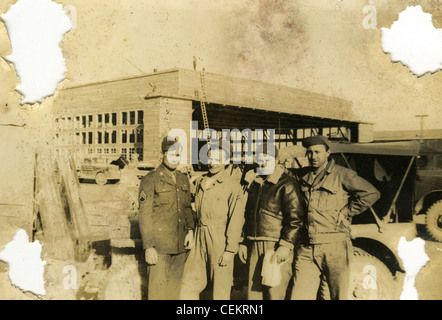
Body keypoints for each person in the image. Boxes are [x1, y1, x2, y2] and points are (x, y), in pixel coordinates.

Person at [291, 135, 380, 300]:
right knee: (299, 295)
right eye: (309, 152)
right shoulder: (303, 176)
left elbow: (371, 193)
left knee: (338, 295)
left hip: (335, 245)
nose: (313, 156)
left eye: (317, 152)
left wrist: (347, 211)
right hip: (307, 246)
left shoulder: (343, 175)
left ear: (328, 152)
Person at [238, 142, 305, 300]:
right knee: (253, 295)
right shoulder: (255, 184)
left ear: (276, 160)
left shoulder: (287, 184)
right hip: (254, 244)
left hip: (275, 246)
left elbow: (296, 218)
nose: (262, 164)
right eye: (259, 160)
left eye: (267, 160)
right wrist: (243, 242)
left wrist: (285, 245)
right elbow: (247, 214)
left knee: (274, 293)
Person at [180, 141, 246, 300]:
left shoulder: (233, 186)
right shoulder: (199, 181)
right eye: (210, 158)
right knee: (188, 284)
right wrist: (190, 232)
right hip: (198, 237)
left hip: (220, 239)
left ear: (227, 161)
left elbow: (236, 220)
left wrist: (230, 250)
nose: (212, 163)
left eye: (218, 159)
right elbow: (192, 210)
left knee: (220, 289)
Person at [138, 136, 195, 300]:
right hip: (159, 248)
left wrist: (190, 230)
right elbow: (145, 215)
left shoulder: (184, 179)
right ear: (162, 154)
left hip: (179, 246)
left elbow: (186, 209)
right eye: (171, 154)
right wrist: (149, 246)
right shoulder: (150, 179)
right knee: (157, 293)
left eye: (178, 155)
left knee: (174, 292)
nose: (174, 159)